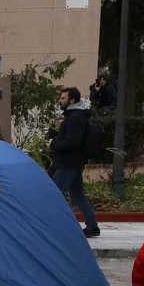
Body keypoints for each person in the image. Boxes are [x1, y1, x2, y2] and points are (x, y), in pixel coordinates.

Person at [46, 87, 100, 238]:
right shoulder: (75, 116)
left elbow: (73, 141)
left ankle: (63, 228)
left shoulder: (75, 117)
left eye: (63, 98)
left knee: (55, 195)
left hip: (67, 164)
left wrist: (53, 144)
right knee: (77, 195)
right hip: (73, 163)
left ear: (72, 100)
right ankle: (92, 227)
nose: (60, 101)